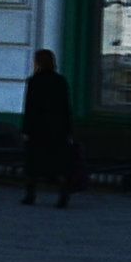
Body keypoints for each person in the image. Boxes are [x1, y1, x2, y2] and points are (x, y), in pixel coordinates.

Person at [19, 47, 75, 210]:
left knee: (33, 163)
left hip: (38, 129)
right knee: (59, 164)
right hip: (58, 129)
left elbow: (29, 108)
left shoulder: (34, 81)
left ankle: (31, 194)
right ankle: (63, 195)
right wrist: (69, 130)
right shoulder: (60, 81)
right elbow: (66, 108)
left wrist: (25, 130)